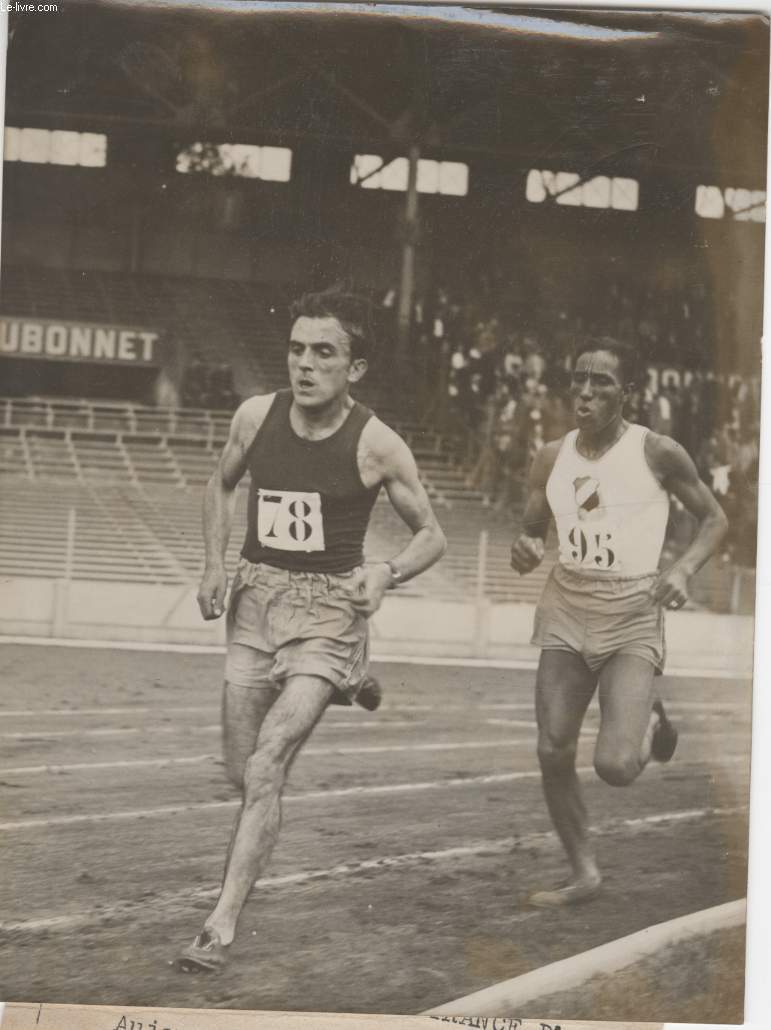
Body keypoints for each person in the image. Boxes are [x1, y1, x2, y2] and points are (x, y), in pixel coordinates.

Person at [176, 286, 447, 971]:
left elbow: (431, 536)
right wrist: (214, 562)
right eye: (296, 349)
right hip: (255, 604)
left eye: (324, 352)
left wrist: (385, 572)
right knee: (243, 773)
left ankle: (219, 927)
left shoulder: (377, 443)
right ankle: (352, 678)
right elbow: (220, 483)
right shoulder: (254, 416)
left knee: (268, 764)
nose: (304, 364)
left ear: (354, 367)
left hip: (329, 613)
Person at [510, 338, 728, 908]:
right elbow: (533, 525)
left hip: (633, 612)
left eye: (601, 381)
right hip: (566, 606)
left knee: (615, 767)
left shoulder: (658, 452)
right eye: (579, 378)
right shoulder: (550, 456)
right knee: (552, 749)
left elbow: (714, 519)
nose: (585, 389)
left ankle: (651, 725)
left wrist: (681, 570)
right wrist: (528, 545)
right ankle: (584, 871)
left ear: (626, 393)